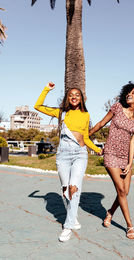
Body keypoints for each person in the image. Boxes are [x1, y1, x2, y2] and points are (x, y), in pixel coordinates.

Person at [34, 82, 102, 242]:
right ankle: (74, 217)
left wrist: (97, 149)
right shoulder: (61, 113)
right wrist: (47, 89)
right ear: (67, 98)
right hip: (63, 154)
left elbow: (85, 138)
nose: (74, 97)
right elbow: (37, 106)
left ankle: (68, 226)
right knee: (66, 190)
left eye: (77, 95)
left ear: (81, 98)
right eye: (71, 95)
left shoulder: (86, 115)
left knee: (74, 188)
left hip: (80, 154)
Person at [89, 82, 134, 240]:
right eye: (128, 92)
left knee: (125, 192)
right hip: (111, 153)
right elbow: (101, 123)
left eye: (133, 93)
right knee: (120, 190)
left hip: (125, 157)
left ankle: (110, 212)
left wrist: (130, 162)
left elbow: (133, 141)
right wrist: (86, 136)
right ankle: (129, 225)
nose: (129, 95)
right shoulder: (117, 107)